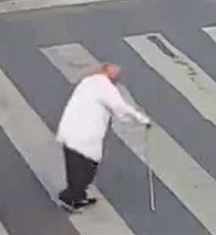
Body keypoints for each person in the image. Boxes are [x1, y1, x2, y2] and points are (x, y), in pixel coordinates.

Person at [56, 63, 151, 212]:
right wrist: (142, 119)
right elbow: (121, 108)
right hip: (85, 136)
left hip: (71, 130)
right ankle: (72, 198)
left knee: (75, 166)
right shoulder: (105, 88)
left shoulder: (88, 81)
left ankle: (74, 195)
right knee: (85, 169)